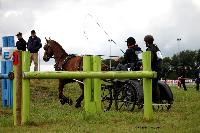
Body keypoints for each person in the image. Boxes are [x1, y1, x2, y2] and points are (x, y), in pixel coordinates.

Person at [144, 35, 163, 103]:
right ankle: (157, 99)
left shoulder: (150, 49)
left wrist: (143, 65)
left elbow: (149, 61)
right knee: (155, 85)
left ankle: (152, 100)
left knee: (151, 86)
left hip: (154, 70)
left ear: (147, 42)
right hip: (159, 69)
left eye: (145, 42)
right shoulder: (156, 48)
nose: (145, 43)